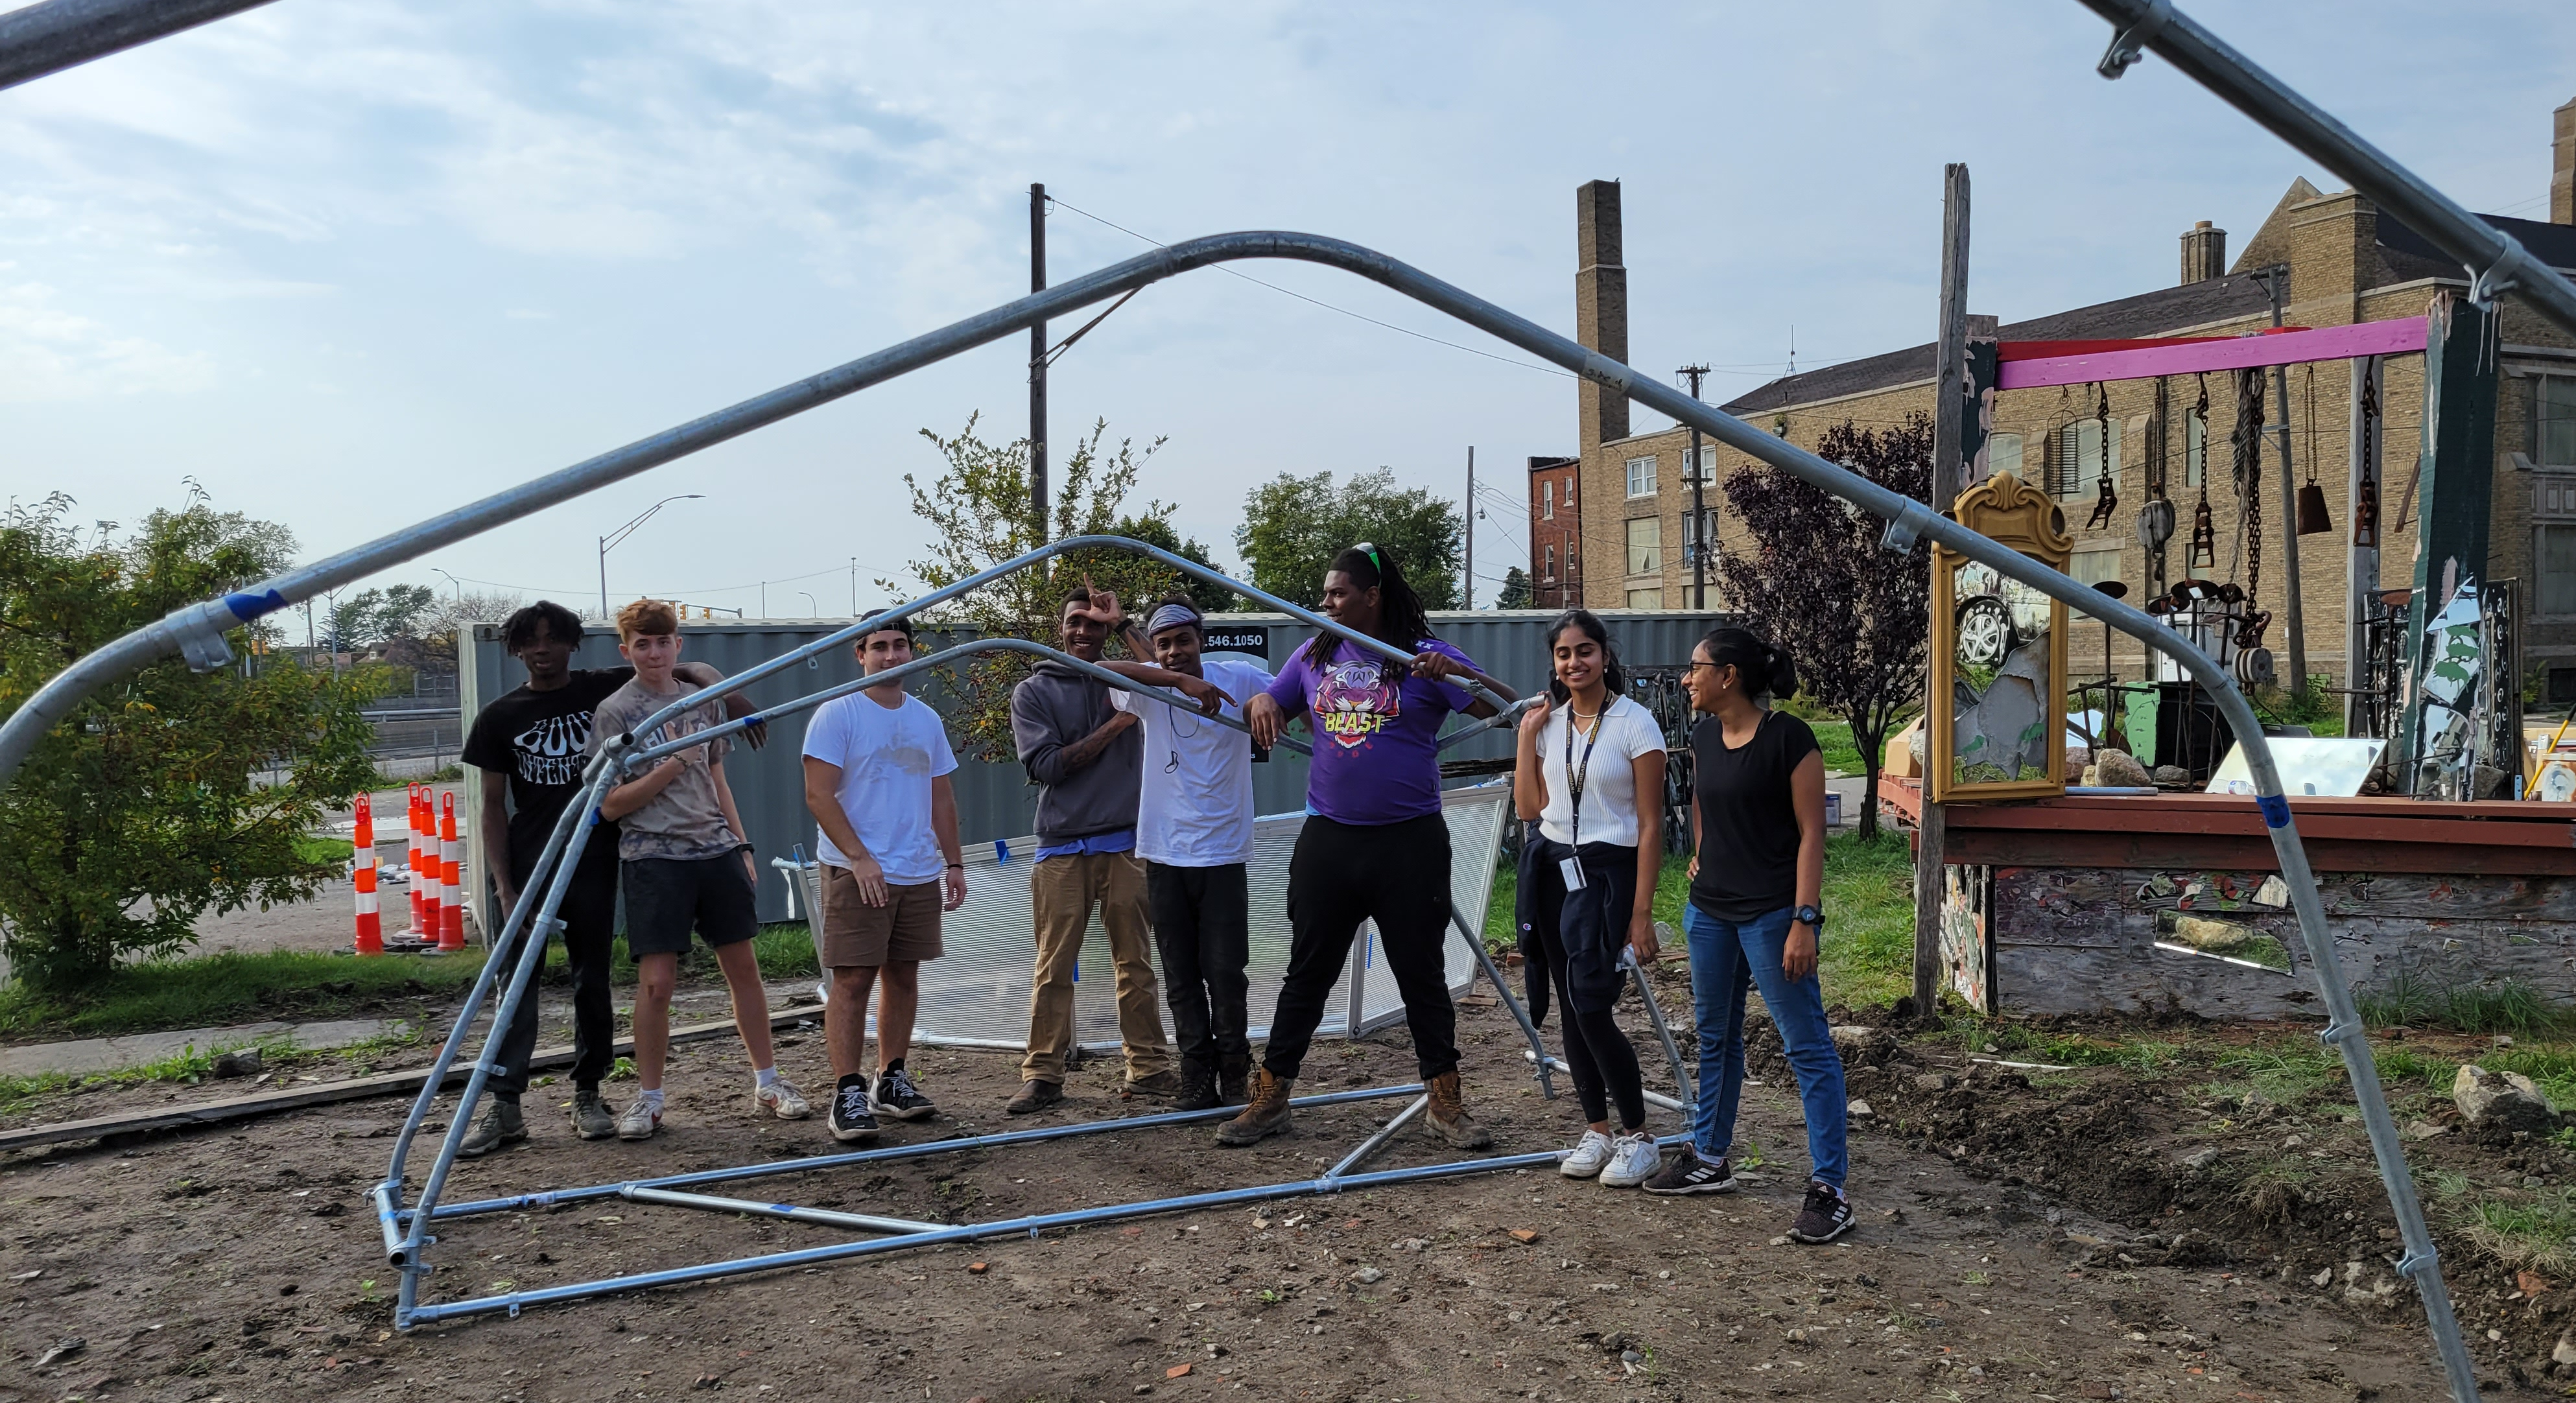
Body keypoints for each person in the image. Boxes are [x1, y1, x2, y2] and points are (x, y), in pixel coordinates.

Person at [1227, 543, 1518, 1149]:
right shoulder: (1314, 654)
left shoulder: (1422, 655)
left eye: (1337, 593)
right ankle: (1271, 1097)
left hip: (1408, 843)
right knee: (1307, 973)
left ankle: (1445, 1104)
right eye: (1325, 594)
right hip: (1330, 840)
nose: (1326, 603)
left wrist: (1457, 674)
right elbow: (1272, 700)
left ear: (1372, 596)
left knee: (1421, 975)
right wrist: (1262, 699)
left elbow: (1506, 709)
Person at [455, 600, 763, 1159]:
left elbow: (683, 666)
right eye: (531, 641)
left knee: (591, 979)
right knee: (516, 982)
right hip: (531, 860)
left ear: (573, 644)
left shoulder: (601, 687)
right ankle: (505, 1104)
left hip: (594, 857)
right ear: (516, 650)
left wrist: (731, 695)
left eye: (554, 638)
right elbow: (492, 807)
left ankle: (588, 1092)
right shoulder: (499, 716)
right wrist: (503, 884)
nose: (542, 649)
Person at [1644, 626, 1853, 1245]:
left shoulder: (1789, 738)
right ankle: (1709, 1157)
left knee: (1805, 1046)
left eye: (1695, 668)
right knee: (1715, 1038)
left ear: (1728, 675)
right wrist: (1703, 852)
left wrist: (1804, 920)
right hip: (1709, 914)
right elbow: (1703, 804)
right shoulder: (1704, 736)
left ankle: (1830, 1190)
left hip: (1772, 916)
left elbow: (1812, 833)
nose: (1687, 679)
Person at [585, 598, 809, 1140]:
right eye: (643, 644)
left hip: (715, 850)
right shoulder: (616, 712)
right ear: (626, 650)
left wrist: (742, 845)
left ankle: (768, 1082)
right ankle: (649, 1098)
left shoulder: (700, 702)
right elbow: (609, 805)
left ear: (677, 645)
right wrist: (673, 763)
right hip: (653, 857)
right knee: (657, 984)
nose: (654, 653)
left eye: (663, 642)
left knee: (743, 969)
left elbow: (718, 781)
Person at [1006, 585, 1193, 1113]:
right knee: (1053, 967)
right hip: (1061, 849)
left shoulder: (1129, 679)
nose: (1084, 631)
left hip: (1127, 844)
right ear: (1061, 628)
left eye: (1094, 623)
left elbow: (1172, 673)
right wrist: (1120, 722)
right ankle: (1043, 1075)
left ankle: (1148, 1070)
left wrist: (1124, 622)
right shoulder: (1033, 692)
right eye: (1076, 622)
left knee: (1136, 965)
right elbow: (1048, 767)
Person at [1097, 593, 1273, 1112]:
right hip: (1165, 852)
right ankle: (1195, 1076)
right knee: (1179, 974)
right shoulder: (1151, 688)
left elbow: (1290, 694)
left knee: (1226, 972)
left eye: (1183, 641)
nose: (1174, 651)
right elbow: (1100, 670)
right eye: (1164, 644)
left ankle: (1235, 1071)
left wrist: (1263, 703)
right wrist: (1176, 680)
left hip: (1222, 851)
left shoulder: (1238, 675)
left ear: (1201, 640)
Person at [1511, 609, 1665, 1188]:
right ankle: (1597, 1130)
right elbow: (1529, 808)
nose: (1573, 663)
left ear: (1604, 655)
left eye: (1584, 651)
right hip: (1552, 870)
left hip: (1606, 874)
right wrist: (1525, 738)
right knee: (1570, 1005)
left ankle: (1638, 1137)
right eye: (1563, 654)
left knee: (1593, 1004)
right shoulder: (1546, 724)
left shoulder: (1634, 724)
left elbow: (1649, 825)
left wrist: (1641, 913)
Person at [801, 609, 967, 1143]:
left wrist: (954, 862)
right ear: (860, 654)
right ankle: (847, 1092)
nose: (890, 655)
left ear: (911, 651)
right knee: (852, 980)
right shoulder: (837, 714)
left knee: (903, 976)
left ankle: (890, 1079)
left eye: (899, 645)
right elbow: (818, 795)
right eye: (879, 647)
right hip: (858, 871)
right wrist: (858, 857)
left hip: (916, 869)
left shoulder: (926, 719)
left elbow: (941, 798)